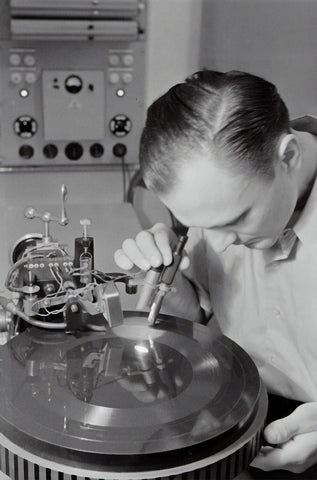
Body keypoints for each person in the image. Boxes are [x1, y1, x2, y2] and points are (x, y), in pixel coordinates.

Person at [114, 70, 317, 474]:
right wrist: (172, 285)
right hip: (237, 412)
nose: (221, 245)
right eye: (202, 224)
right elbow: (204, 318)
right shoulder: (226, 196)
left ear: (289, 157)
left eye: (236, 218)